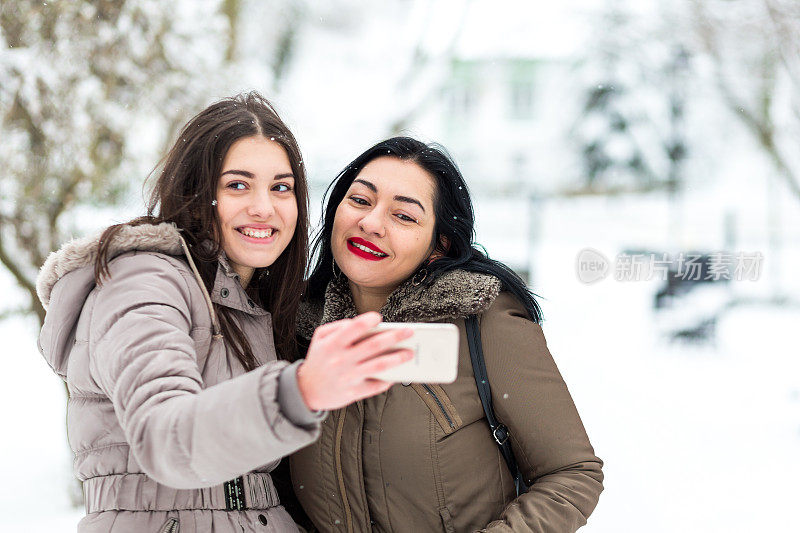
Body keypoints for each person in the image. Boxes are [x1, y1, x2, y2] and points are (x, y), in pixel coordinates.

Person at [36, 92, 412, 532]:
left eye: (281, 187)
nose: (263, 207)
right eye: (237, 185)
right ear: (196, 192)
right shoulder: (144, 281)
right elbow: (166, 441)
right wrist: (301, 390)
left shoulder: (250, 304)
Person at [289, 137, 604, 532]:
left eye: (403, 216)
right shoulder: (296, 330)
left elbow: (572, 474)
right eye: (360, 201)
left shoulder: (484, 321)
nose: (370, 223)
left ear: (440, 244)